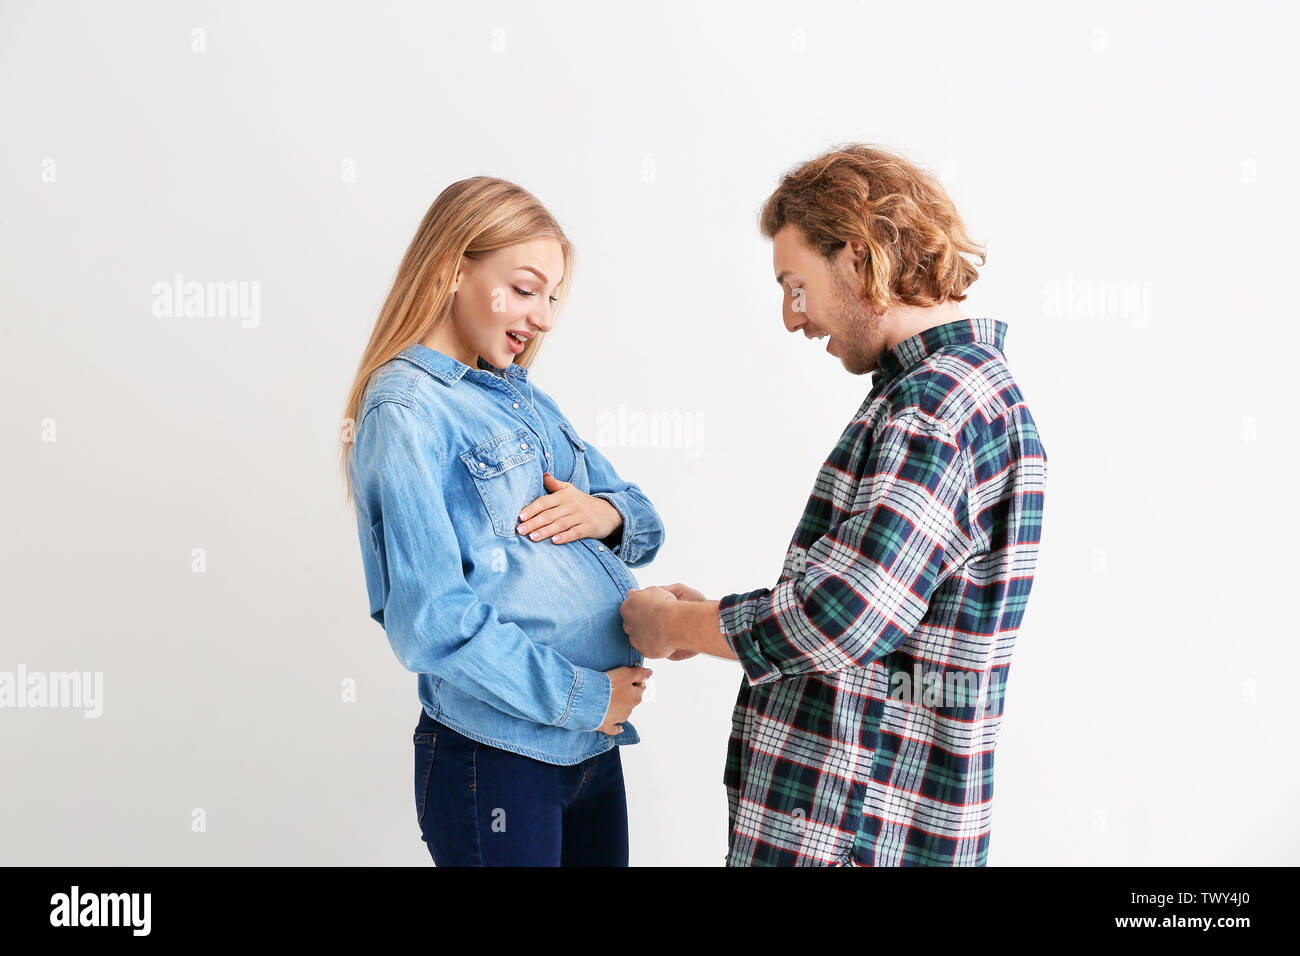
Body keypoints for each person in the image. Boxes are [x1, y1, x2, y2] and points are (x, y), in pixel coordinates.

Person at [621, 144, 1047, 867]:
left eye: (796, 284)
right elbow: (875, 621)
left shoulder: (933, 407)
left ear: (857, 255)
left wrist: (672, 623)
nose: (795, 318)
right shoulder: (963, 391)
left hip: (855, 838)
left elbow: (842, 615)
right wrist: (712, 624)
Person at [341, 177, 663, 866]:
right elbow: (430, 620)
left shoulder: (519, 397)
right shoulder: (404, 410)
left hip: (589, 750)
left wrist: (603, 513)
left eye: (550, 296)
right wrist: (583, 697)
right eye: (525, 289)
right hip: (500, 757)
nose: (544, 317)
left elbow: (646, 524)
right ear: (452, 268)